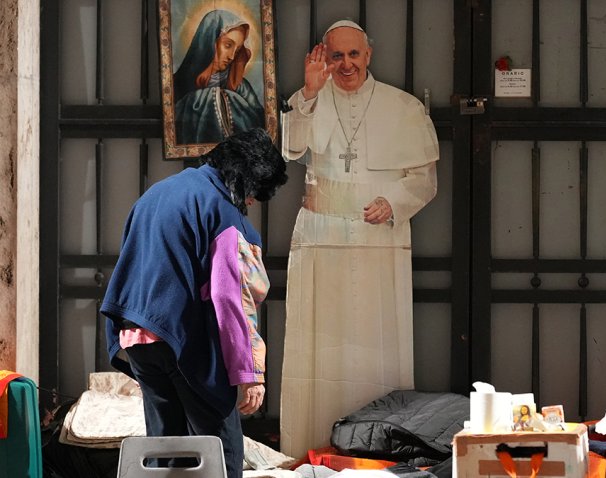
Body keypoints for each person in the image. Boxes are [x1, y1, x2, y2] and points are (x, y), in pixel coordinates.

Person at [279, 20, 439, 458]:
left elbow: (424, 179)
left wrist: (394, 202)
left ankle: (380, 450)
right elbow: (289, 149)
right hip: (321, 237)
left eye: (353, 55)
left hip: (377, 242)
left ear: (368, 55)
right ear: (324, 58)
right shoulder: (307, 100)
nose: (346, 64)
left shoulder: (402, 107)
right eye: (336, 56)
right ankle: (311, 451)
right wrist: (310, 94)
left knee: (375, 347)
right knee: (319, 349)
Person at [100, 128, 287, 478]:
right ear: (243, 178)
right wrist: (248, 374)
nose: (249, 203)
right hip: (182, 339)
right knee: (219, 449)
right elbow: (228, 297)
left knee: (164, 452)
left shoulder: (155, 194)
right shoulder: (220, 209)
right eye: (253, 195)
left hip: (136, 336)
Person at [173, 9, 265, 145]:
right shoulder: (179, 82)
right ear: (209, 41)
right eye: (228, 45)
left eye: (238, 50)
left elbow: (260, 123)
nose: (232, 56)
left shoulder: (240, 86)